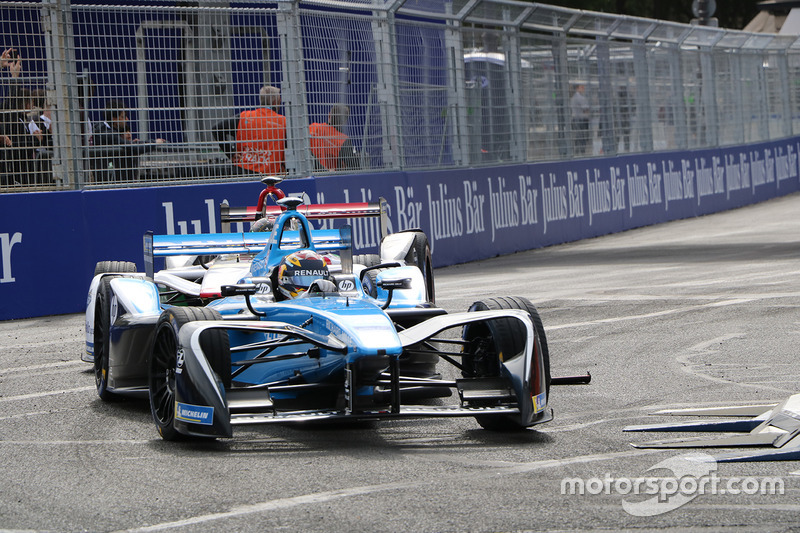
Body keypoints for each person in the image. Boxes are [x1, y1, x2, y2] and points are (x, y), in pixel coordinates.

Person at [212, 85, 286, 177]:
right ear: (275, 102)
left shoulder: (245, 117)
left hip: (242, 170)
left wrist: (231, 153)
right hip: (268, 174)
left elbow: (217, 128)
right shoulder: (283, 122)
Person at [90, 100, 165, 182]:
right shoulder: (106, 133)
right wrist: (154, 142)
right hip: (108, 180)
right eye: (123, 116)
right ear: (114, 119)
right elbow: (131, 147)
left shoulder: (104, 129)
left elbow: (129, 145)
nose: (127, 119)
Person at [1, 48, 45, 185]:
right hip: (13, 173)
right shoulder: (10, 115)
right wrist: (14, 77)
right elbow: (19, 144)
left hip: (23, 174)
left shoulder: (21, 119)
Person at [308, 104, 359, 171]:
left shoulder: (312, 127)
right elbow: (354, 166)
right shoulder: (342, 140)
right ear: (344, 121)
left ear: (329, 115)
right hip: (329, 178)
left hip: (308, 174)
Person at [570, 82, 590, 156]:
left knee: (578, 136)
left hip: (575, 119)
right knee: (582, 137)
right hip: (582, 119)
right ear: (577, 88)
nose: (583, 88)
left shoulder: (573, 98)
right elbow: (586, 109)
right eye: (582, 87)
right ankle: (582, 152)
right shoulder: (581, 98)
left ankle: (577, 152)